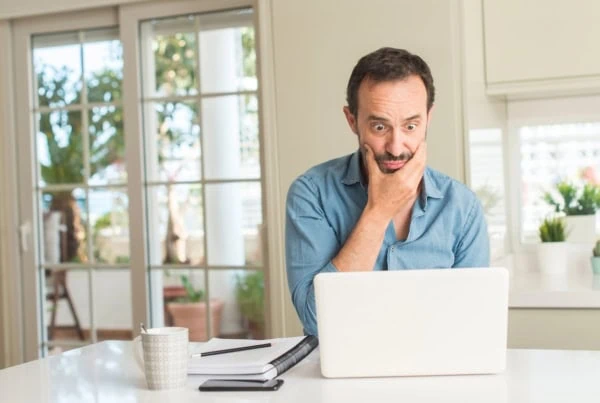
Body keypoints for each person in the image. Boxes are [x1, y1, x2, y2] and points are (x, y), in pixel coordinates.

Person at [285, 47, 490, 336]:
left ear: (428, 119)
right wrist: (378, 211)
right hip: (338, 375)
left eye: (410, 126)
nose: (396, 146)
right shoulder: (312, 193)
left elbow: (474, 323)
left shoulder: (462, 207)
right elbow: (318, 322)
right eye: (380, 126)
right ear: (352, 120)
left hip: (435, 371)